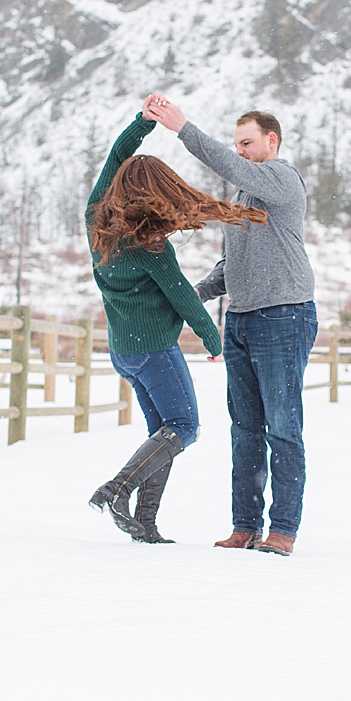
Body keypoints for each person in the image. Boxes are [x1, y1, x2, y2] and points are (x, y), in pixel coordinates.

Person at [142, 94, 317, 557]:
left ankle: (282, 529)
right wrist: (190, 296)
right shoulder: (244, 196)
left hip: (284, 315)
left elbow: (230, 167)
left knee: (282, 426)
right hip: (240, 319)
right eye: (236, 144)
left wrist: (184, 129)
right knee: (245, 428)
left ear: (270, 140)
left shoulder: (281, 179)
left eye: (246, 142)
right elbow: (233, 265)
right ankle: (244, 525)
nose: (238, 151)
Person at [86, 110, 266, 543]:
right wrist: (211, 337)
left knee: (161, 433)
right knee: (183, 426)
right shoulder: (150, 245)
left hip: (123, 352)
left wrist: (141, 124)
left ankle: (145, 525)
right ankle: (117, 491)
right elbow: (182, 294)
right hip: (154, 350)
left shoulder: (96, 219)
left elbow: (116, 156)